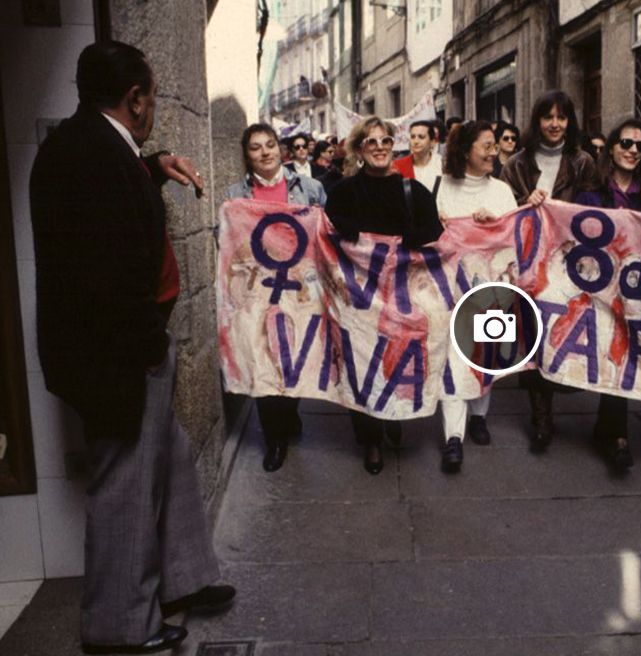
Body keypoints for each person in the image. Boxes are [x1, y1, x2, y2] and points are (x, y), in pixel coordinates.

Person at [29, 41, 234, 654]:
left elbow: (112, 199)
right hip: (117, 354)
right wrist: (148, 345)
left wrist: (153, 164)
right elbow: (104, 271)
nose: (151, 113)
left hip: (121, 346)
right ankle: (118, 626)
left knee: (166, 456)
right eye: (149, 98)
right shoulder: (91, 156)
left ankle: (184, 578)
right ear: (136, 98)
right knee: (123, 485)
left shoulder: (89, 145)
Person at [325, 117, 444, 475]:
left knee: (396, 360)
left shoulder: (412, 190)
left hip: (401, 295)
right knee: (360, 364)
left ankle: (394, 414)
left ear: (394, 146)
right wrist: (343, 230)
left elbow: (436, 231)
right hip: (358, 298)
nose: (379, 147)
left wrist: (413, 238)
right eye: (371, 141)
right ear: (360, 149)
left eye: (386, 141)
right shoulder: (344, 191)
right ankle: (371, 439)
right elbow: (326, 228)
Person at [500, 89, 599, 452]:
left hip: (571, 263)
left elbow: (594, 210)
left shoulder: (584, 162)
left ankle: (567, 385)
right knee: (533, 333)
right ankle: (541, 417)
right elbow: (502, 210)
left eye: (562, 117)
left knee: (567, 329)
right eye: (548, 117)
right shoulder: (516, 165)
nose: (555, 124)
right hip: (529, 262)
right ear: (537, 121)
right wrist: (525, 205)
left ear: (570, 122)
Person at [225, 123, 327, 472]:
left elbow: (324, 235)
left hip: (300, 290)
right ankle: (275, 437)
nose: (265, 152)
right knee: (263, 360)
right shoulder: (235, 194)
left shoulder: (310, 188)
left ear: (280, 150)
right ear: (247, 154)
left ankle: (290, 413)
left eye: (270, 144)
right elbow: (225, 242)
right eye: (256, 147)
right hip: (258, 292)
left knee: (295, 357)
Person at [575, 118, 641, 470]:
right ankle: (618, 436)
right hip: (599, 289)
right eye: (626, 143)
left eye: (640, 146)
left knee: (624, 356)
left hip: (637, 290)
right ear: (611, 148)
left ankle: (608, 430)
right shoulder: (591, 193)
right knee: (613, 354)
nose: (632, 151)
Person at [434, 121, 519, 472]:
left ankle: (480, 415)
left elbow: (516, 239)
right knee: (452, 361)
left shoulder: (501, 191)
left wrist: (496, 223)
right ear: (466, 149)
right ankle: (454, 437)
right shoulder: (441, 188)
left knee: (487, 354)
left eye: (494, 145)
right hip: (450, 291)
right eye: (486, 145)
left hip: (492, 291)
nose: (493, 152)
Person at [393, 119, 443, 192]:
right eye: (413, 137)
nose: (416, 141)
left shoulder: (443, 165)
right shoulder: (397, 166)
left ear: (432, 142)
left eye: (421, 137)